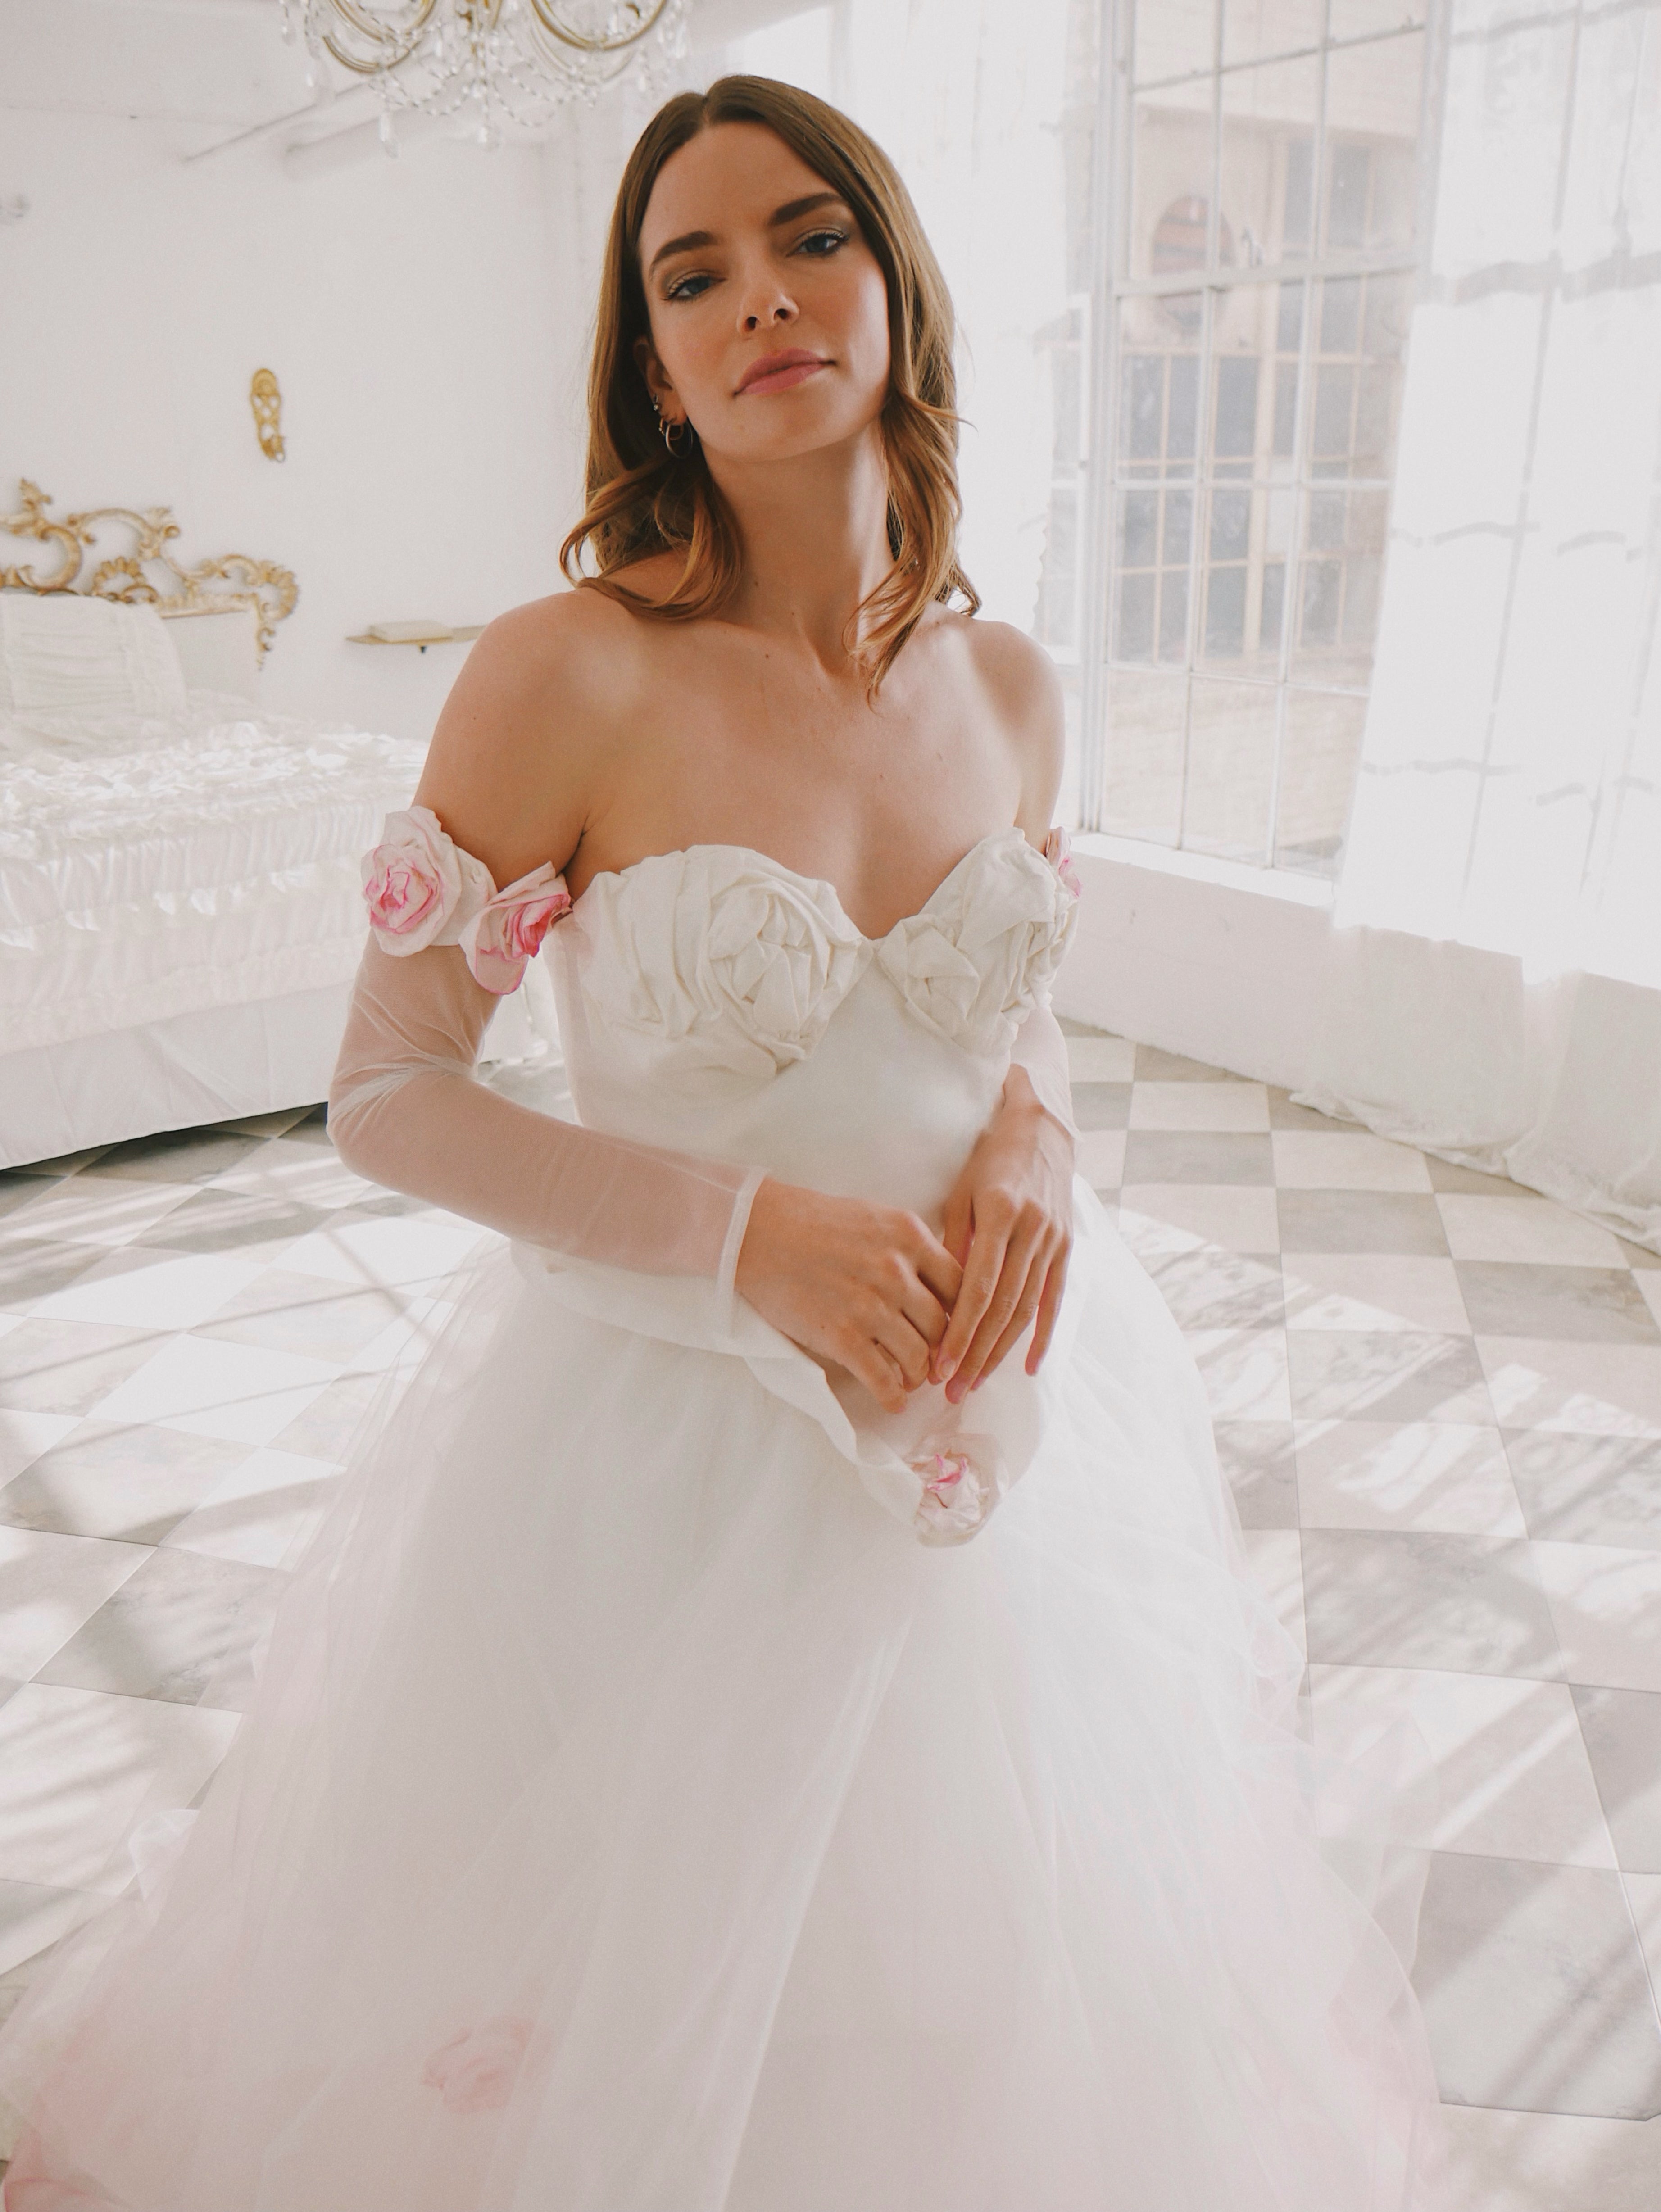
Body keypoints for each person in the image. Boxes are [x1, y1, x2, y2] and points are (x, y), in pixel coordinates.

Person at [0, 76, 1441, 2212]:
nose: (761, 293)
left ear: (896, 283)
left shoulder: (1018, 685)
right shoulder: (565, 673)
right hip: (662, 1450)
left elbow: (1001, 1006)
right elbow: (390, 1090)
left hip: (1010, 1411)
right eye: (694, 274)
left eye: (809, 236)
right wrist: (750, 1237)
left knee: (980, 1995)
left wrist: (1041, 1143)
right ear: (651, 366)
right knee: (627, 1997)